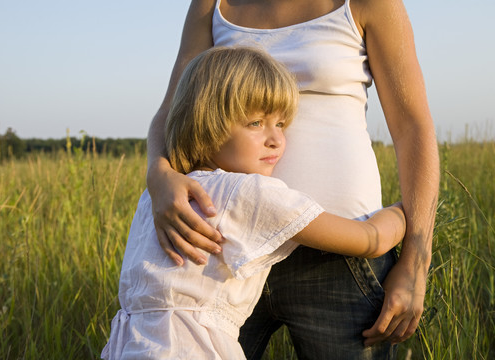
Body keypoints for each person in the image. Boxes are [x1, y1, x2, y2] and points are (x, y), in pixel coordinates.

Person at [146, 0, 439, 359]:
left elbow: (413, 127)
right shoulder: (211, 4)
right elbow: (174, 108)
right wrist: (158, 174)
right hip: (223, 252)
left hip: (340, 257)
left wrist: (415, 261)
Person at [101, 46, 406, 360]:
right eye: (256, 123)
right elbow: (370, 240)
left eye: (281, 124)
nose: (275, 139)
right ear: (207, 125)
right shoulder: (248, 192)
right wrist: (402, 213)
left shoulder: (158, 195)